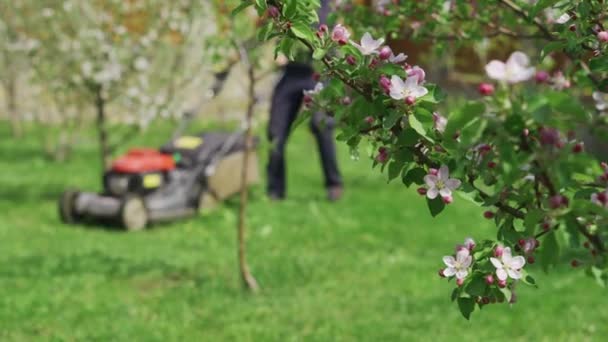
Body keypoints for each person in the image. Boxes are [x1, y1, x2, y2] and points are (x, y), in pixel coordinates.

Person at [266, 0, 343, 201]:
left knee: (321, 124)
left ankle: (334, 184)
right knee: (275, 131)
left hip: (317, 72)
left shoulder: (325, 5)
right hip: (290, 73)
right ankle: (274, 190)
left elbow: (327, 31)